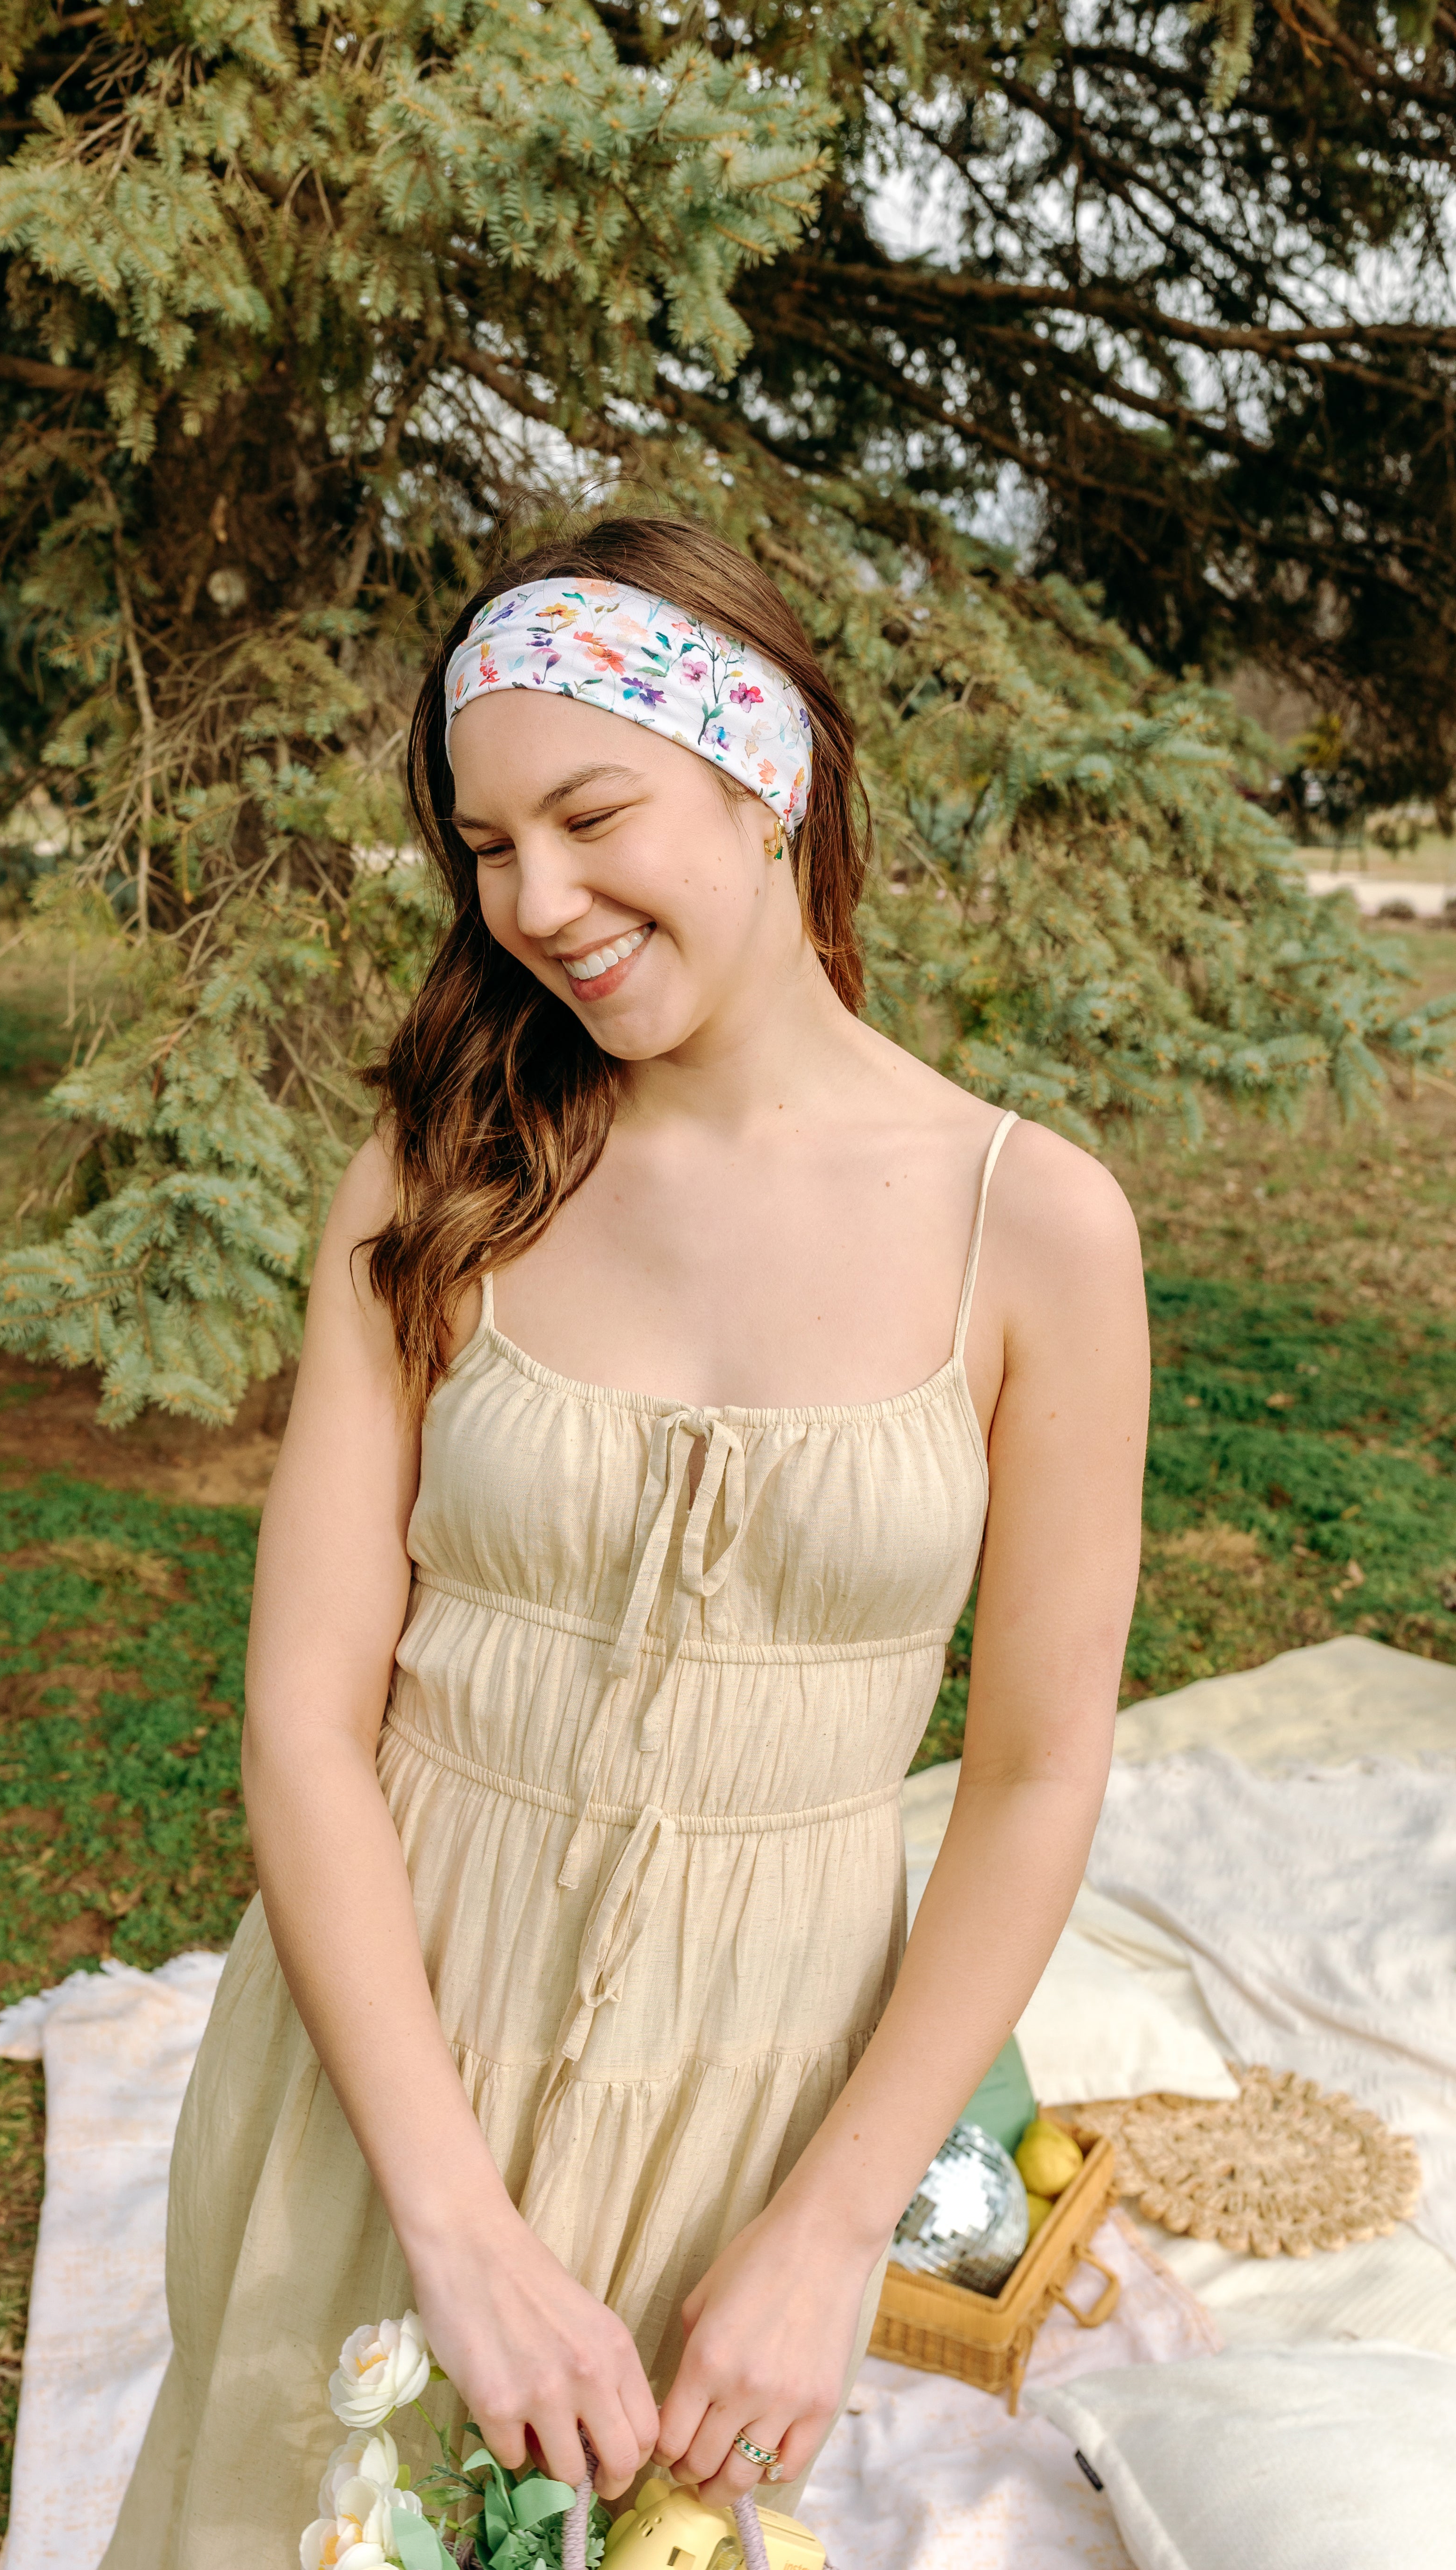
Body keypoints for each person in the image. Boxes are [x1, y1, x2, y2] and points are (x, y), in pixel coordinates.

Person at [101, 516, 1148, 2570]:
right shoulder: (440, 1173)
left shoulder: (1033, 1229)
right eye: (490, 847)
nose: (538, 904)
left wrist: (833, 2230)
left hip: (754, 2103)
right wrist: (456, 2232)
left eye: (592, 817)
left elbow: (1038, 1773)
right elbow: (305, 1723)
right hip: (390, 2063)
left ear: (770, 781)